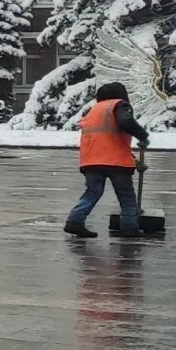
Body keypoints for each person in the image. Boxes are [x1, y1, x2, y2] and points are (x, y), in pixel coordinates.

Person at [65, 79, 149, 239]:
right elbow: (126, 122)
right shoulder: (119, 105)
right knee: (126, 196)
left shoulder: (94, 110)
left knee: (92, 192)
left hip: (91, 161)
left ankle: (74, 221)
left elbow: (106, 140)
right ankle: (129, 228)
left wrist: (135, 162)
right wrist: (142, 135)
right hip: (115, 162)